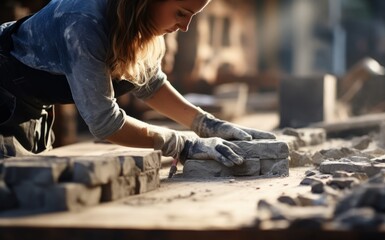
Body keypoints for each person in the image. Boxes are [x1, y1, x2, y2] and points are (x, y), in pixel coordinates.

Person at [0, 0, 275, 166]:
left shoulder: (134, 20)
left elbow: (149, 84)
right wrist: (183, 144)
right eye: (180, 13)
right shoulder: (83, 23)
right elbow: (105, 123)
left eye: (192, 15)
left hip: (35, 99)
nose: (185, 26)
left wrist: (208, 124)